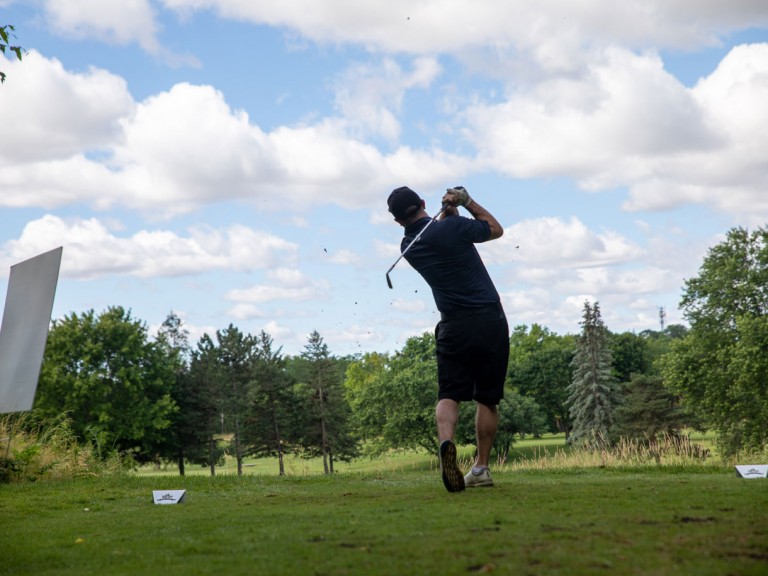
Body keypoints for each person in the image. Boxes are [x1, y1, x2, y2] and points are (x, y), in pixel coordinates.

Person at [386, 185, 510, 492]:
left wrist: (451, 215)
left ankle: (446, 444)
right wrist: (467, 202)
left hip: (453, 325)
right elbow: (495, 230)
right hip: (488, 319)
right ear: (424, 203)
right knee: (487, 399)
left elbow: (439, 236)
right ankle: (481, 467)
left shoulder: (409, 246)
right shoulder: (453, 226)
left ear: (397, 220)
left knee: (449, 394)